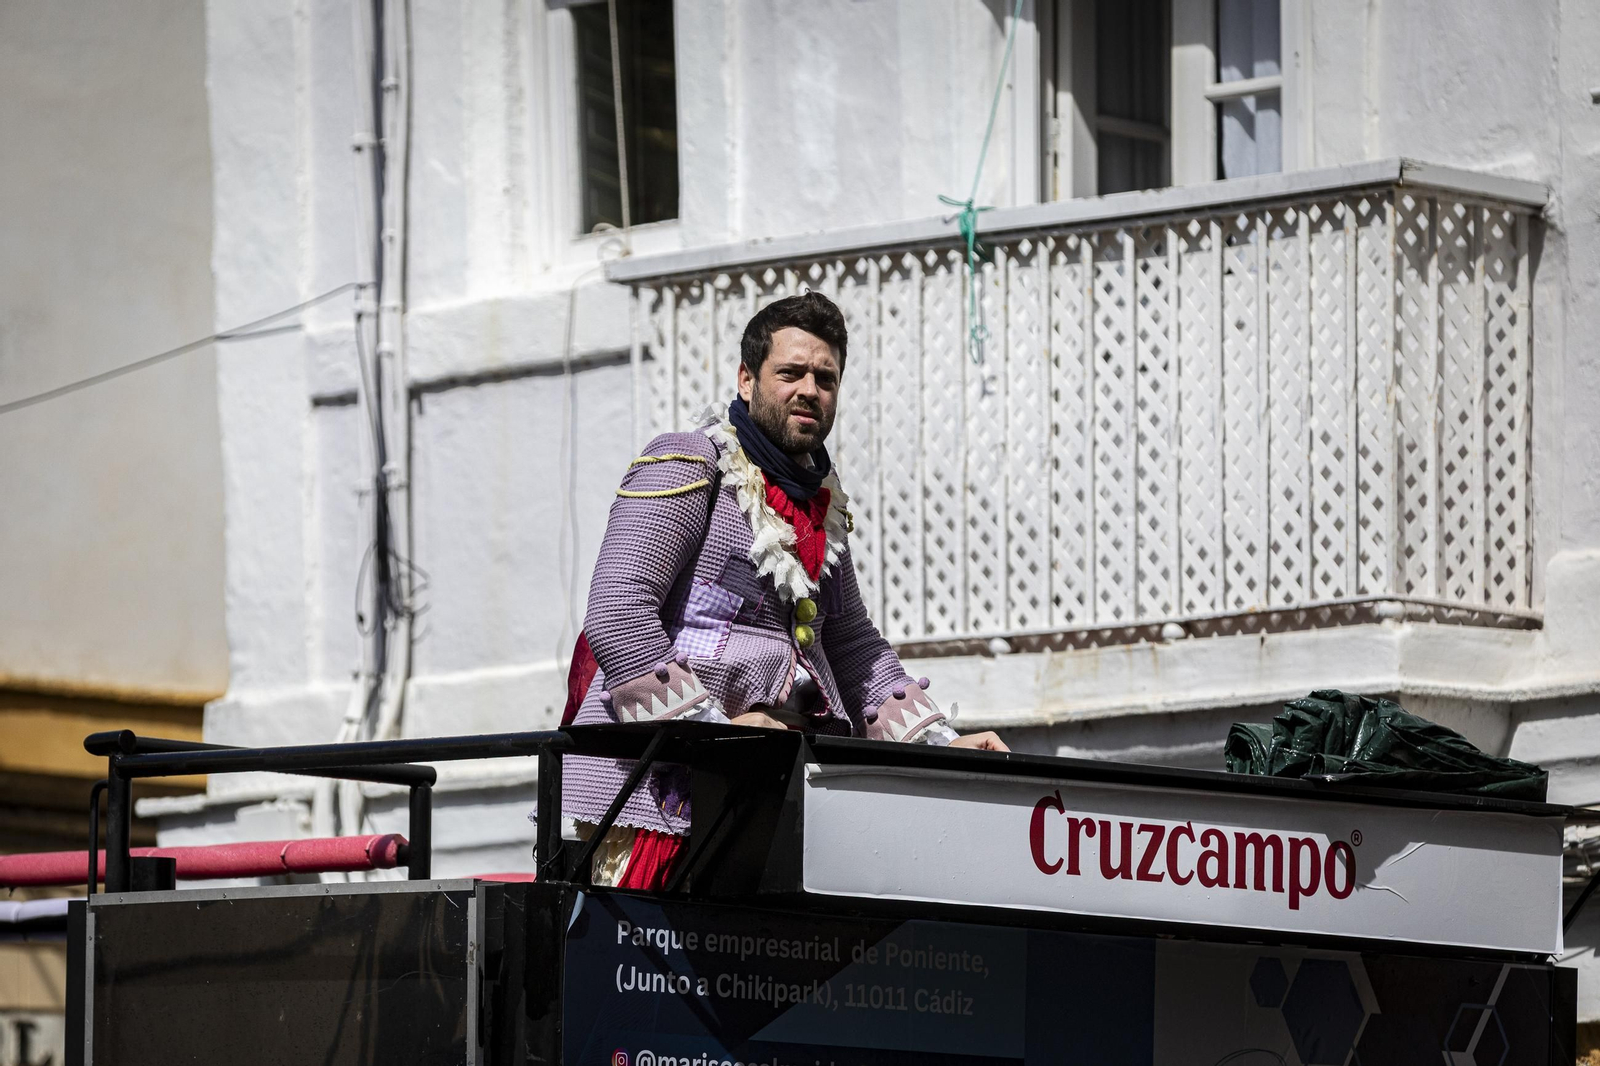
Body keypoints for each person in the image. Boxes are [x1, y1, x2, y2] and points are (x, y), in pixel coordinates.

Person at [562, 291, 1007, 889]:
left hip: (782, 794)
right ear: (747, 380)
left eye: (825, 378)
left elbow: (852, 646)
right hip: (662, 797)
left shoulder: (822, 504)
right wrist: (717, 733)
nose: (809, 390)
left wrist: (938, 744)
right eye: (790, 373)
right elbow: (619, 609)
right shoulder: (689, 462)